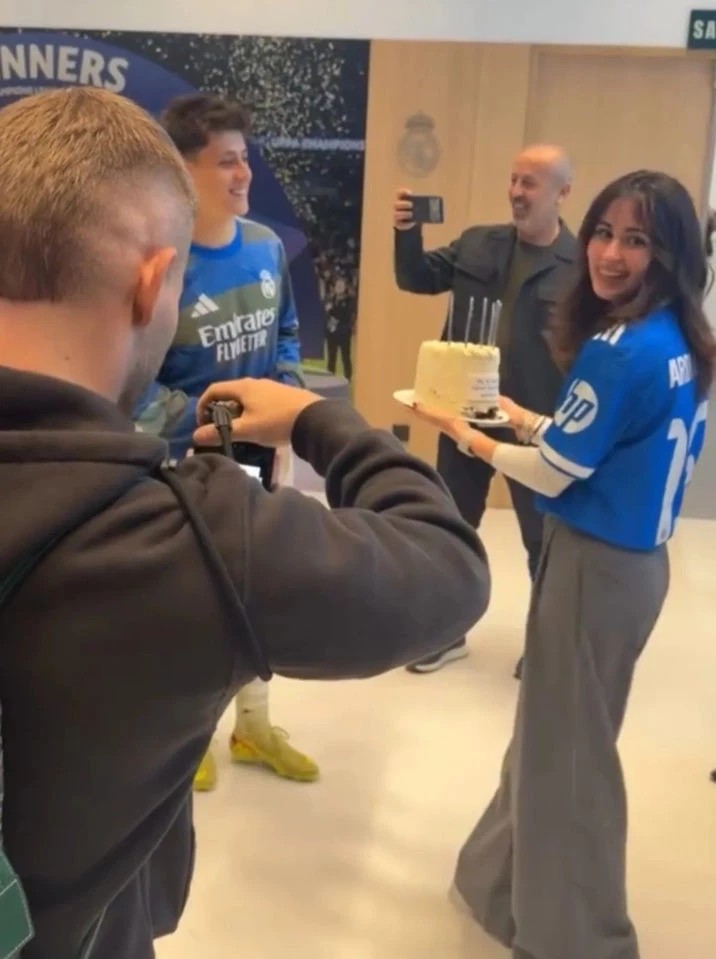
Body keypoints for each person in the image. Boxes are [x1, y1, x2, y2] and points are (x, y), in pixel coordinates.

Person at [0, 88, 490, 959]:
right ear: (153, 283)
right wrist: (320, 421)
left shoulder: (259, 252)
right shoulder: (194, 541)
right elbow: (448, 566)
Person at [409, 169, 715, 959]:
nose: (610, 253)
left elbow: (553, 473)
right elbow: (605, 442)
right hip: (637, 565)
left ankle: (578, 940)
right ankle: (498, 888)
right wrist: (523, 416)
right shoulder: (681, 340)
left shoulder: (618, 349)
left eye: (637, 240)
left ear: (672, 253)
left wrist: (467, 433)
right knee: (549, 737)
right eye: (604, 232)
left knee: (570, 761)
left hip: (594, 566)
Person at [134, 93, 316, 791]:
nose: (244, 175)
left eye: (246, 159)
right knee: (191, 597)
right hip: (184, 459)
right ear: (184, 171)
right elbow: (137, 378)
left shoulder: (265, 247)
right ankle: (191, 732)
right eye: (227, 162)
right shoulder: (161, 264)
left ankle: (253, 724)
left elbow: (288, 333)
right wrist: (211, 422)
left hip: (259, 452)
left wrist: (285, 396)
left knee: (259, 587)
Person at [393, 144, 577, 675]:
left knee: (542, 541)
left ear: (562, 193)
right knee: (452, 526)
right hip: (464, 416)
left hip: (533, 425)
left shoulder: (581, 265)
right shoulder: (478, 243)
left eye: (530, 183)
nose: (517, 192)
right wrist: (407, 232)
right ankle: (447, 632)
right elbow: (416, 277)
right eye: (514, 180)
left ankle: (546, 646)